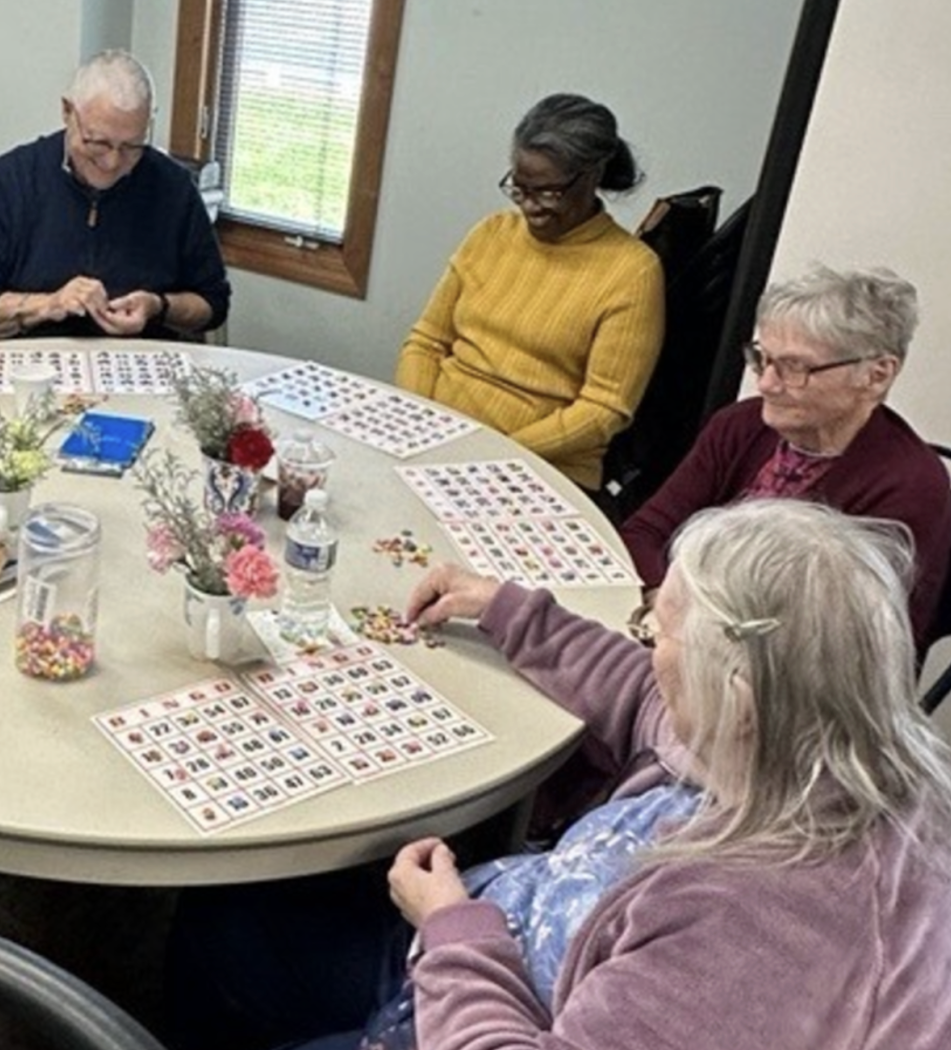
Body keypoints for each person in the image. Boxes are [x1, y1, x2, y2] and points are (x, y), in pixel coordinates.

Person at [167, 499, 951, 1049]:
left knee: (217, 942)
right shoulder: (804, 738)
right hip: (491, 943)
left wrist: (450, 930)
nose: (648, 647)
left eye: (661, 630)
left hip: (469, 991)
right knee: (226, 922)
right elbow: (648, 699)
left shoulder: (758, 930)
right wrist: (510, 609)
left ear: (733, 689)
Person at [621, 265, 950, 648]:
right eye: (763, 359)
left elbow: (840, 649)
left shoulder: (910, 489)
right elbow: (643, 532)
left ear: (876, 375)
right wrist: (667, 605)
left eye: (795, 368)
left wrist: (685, 623)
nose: (766, 384)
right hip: (678, 639)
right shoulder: (740, 425)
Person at [396, 93, 664, 490]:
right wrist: (419, 421)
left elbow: (604, 410)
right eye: (520, 189)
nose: (531, 207)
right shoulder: (490, 233)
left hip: (537, 468)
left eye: (548, 192)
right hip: (436, 444)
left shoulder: (632, 272)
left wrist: (490, 451)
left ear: (591, 177)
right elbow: (426, 342)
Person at [0, 49, 230, 341]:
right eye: (98, 142)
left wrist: (159, 306)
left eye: (132, 146)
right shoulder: (11, 179)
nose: (113, 163)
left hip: (137, 364)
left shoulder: (173, 187)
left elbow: (213, 303)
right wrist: (47, 305)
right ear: (67, 112)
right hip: (32, 367)